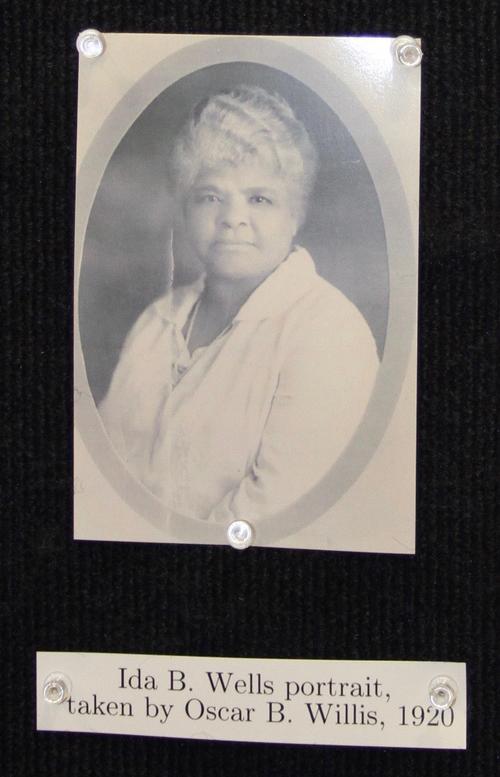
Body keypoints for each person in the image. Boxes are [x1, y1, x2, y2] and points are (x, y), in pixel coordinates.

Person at [99, 85, 379, 526]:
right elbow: (101, 479)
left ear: (296, 214)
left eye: (259, 198)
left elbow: (274, 512)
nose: (232, 217)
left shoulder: (329, 333)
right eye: (210, 195)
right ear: (186, 209)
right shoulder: (157, 321)